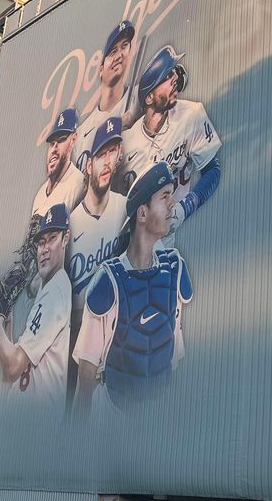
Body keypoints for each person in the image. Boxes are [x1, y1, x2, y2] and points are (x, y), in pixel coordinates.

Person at [72, 162, 193, 418]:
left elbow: (175, 355)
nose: (172, 204)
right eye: (164, 197)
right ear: (142, 214)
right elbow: (85, 376)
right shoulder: (109, 280)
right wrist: (76, 446)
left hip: (157, 419)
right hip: (113, 419)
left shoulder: (174, 269)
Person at [116, 45, 221, 231]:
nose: (175, 79)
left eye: (174, 73)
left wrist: (186, 207)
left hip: (172, 229)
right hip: (138, 239)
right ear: (149, 98)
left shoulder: (191, 115)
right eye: (166, 77)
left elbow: (213, 170)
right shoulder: (125, 143)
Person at [66, 116, 127, 400]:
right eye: (100, 154)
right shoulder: (69, 226)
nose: (106, 162)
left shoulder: (126, 208)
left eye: (112, 152)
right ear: (88, 164)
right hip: (74, 338)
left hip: (114, 335)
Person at [0, 204, 72, 412]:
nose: (44, 249)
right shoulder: (49, 289)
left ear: (66, 239)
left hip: (35, 425)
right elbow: (10, 372)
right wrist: (7, 327)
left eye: (52, 238)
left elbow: (12, 368)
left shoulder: (55, 291)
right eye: (41, 243)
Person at [73, 21, 135, 173]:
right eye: (112, 51)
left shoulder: (138, 100)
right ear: (101, 69)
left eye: (125, 46)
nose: (119, 55)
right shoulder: (81, 133)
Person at [32, 108, 85, 216]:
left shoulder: (78, 184)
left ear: (73, 139)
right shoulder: (40, 193)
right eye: (52, 143)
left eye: (61, 139)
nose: (54, 148)